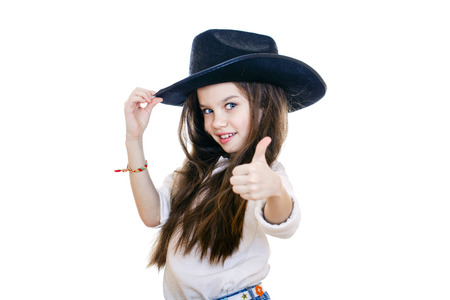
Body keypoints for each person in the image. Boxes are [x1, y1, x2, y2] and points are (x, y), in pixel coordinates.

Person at [117, 29, 326, 300]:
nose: (217, 122)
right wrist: (134, 139)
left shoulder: (263, 174)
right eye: (207, 110)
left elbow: (283, 220)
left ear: (263, 105)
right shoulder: (197, 171)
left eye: (230, 105)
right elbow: (152, 215)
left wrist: (274, 190)